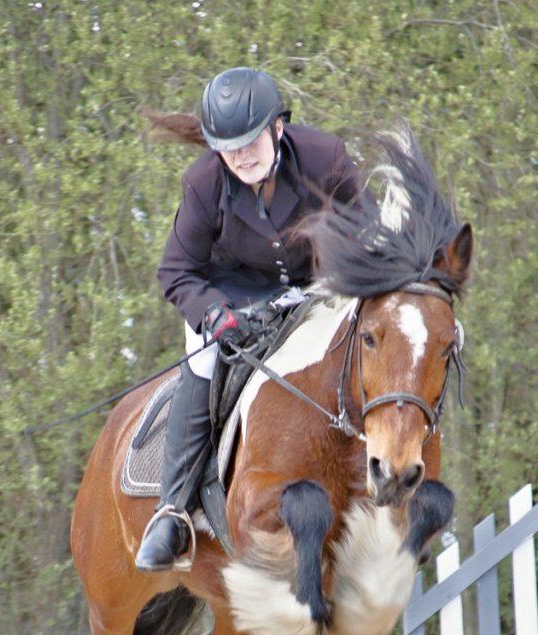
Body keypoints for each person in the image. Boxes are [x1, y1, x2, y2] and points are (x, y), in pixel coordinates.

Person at [135, 66, 365, 572]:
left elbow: (366, 230)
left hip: (315, 288)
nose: (240, 156)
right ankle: (172, 511)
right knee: (202, 359)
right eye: (227, 147)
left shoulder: (325, 158)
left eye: (249, 141)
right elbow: (176, 271)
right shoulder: (204, 183)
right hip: (232, 299)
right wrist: (214, 315)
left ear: (277, 127)